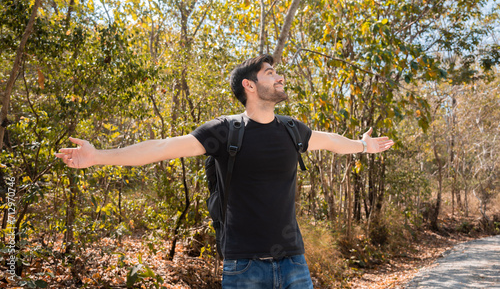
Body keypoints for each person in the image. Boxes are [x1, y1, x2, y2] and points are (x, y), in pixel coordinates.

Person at [56, 54, 394, 288]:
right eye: (270, 74)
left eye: (277, 73)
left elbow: (333, 142)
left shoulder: (292, 130)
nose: (280, 77)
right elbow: (160, 148)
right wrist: (98, 155)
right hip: (244, 267)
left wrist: (363, 145)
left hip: (294, 264)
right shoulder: (224, 131)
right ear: (249, 86)